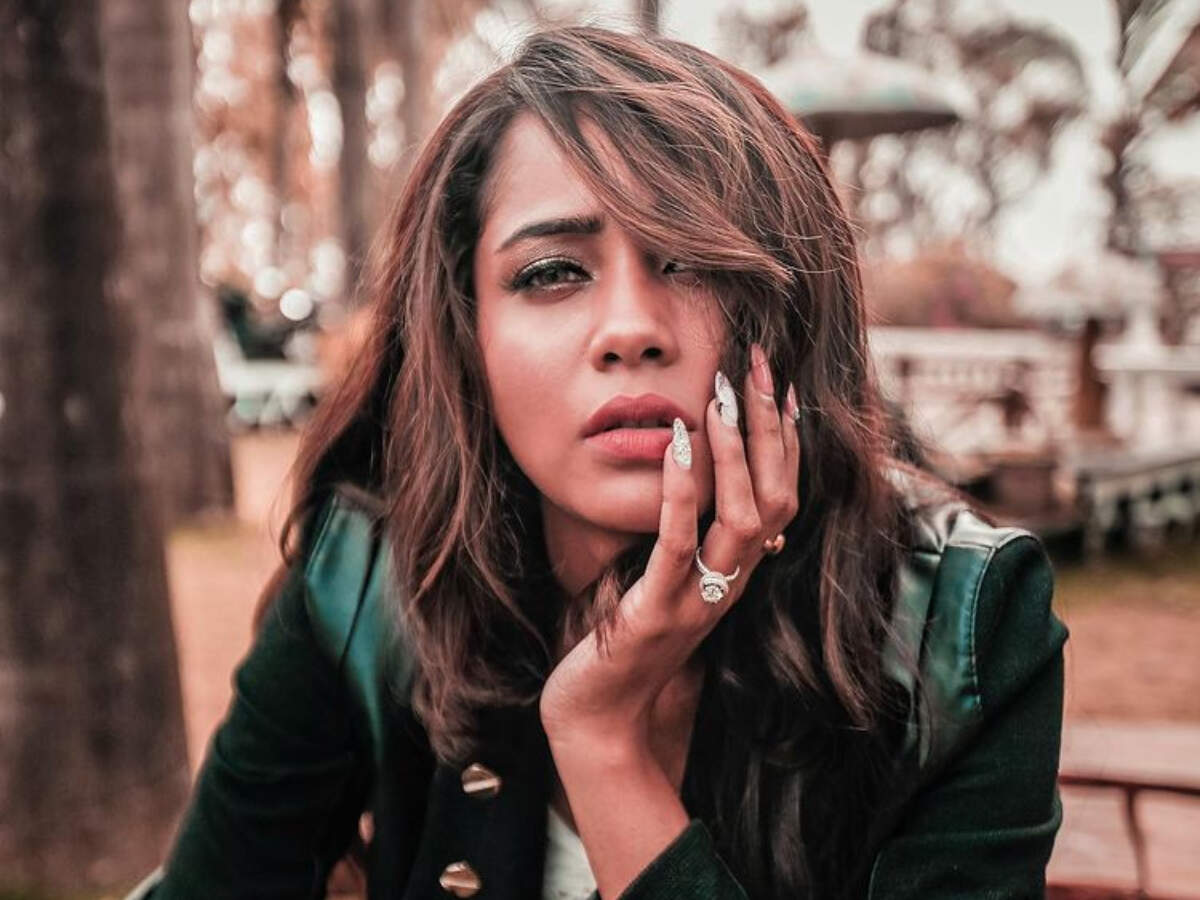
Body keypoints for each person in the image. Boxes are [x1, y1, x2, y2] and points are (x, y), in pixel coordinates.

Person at [132, 25, 1068, 900]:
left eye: (691, 262)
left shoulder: (961, 627)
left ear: (789, 314)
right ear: (467, 332)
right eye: (552, 273)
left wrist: (601, 735)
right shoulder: (368, 576)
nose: (629, 329)